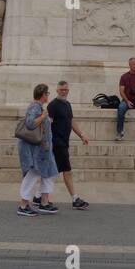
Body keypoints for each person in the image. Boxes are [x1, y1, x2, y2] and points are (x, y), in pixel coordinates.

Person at [44, 80, 89, 210]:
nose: (64, 92)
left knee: (53, 172)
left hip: (64, 142)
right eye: (62, 90)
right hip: (57, 143)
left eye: (66, 90)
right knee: (67, 171)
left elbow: (71, 121)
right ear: (57, 90)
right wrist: (48, 142)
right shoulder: (52, 105)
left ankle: (38, 196)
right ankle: (75, 198)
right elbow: (48, 124)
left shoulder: (67, 105)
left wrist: (82, 135)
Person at [17, 84, 58, 216]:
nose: (48, 96)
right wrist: (43, 116)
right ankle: (23, 205)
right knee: (33, 174)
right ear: (43, 94)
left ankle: (44, 202)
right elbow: (30, 123)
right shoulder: (35, 107)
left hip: (43, 150)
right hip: (36, 151)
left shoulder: (38, 107)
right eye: (47, 94)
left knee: (49, 173)